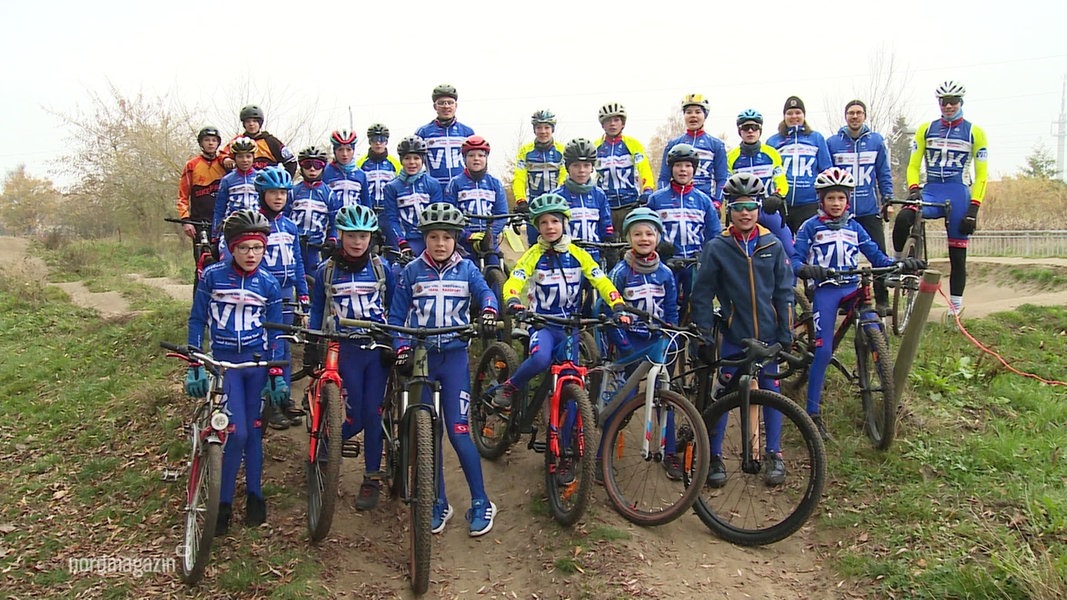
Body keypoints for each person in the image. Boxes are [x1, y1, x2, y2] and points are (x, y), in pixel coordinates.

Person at [388, 202, 499, 536]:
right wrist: (401, 347)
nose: (439, 243)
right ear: (424, 239)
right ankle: (437, 500)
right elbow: (395, 317)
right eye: (433, 237)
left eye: (446, 237)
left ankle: (481, 501)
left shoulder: (467, 269)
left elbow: (486, 295)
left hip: (453, 359)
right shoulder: (411, 272)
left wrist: (490, 313)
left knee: (458, 430)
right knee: (427, 434)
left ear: (455, 240)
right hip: (422, 359)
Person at [792, 167, 923, 439]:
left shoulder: (855, 227)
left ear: (847, 200)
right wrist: (806, 269)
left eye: (841, 198)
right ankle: (812, 412)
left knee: (873, 322)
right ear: (821, 200)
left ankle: (878, 368)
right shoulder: (810, 226)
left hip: (850, 286)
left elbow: (878, 258)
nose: (836, 203)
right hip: (826, 289)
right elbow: (794, 259)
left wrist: (902, 264)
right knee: (824, 350)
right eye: (831, 198)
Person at [690, 172, 794, 488]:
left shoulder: (773, 245)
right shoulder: (717, 246)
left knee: (770, 392)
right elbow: (702, 293)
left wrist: (786, 333)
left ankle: (774, 454)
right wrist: (705, 333)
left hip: (769, 337)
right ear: (729, 211)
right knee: (722, 395)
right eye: (738, 207)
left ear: (759, 208)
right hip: (734, 336)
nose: (745, 213)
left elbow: (784, 291)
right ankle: (714, 455)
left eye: (751, 206)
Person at [185, 209, 285, 535]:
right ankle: (223, 504)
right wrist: (195, 364)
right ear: (231, 248)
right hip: (226, 364)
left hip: (255, 365)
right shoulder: (212, 277)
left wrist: (277, 374)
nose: (251, 254)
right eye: (244, 248)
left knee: (254, 432)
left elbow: (277, 334)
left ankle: (255, 497)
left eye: (257, 248)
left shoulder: (269, 284)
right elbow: (197, 320)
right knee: (237, 433)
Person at [493, 194, 630, 419]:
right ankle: (509, 386)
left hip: (569, 326)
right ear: (537, 226)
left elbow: (601, 281)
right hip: (542, 323)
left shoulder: (578, 254)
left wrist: (617, 304)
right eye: (544, 222)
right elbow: (514, 280)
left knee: (572, 376)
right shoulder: (532, 255)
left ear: (564, 223)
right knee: (540, 359)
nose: (550, 227)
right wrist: (513, 300)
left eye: (555, 221)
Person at [306, 204, 395, 511]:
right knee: (354, 416)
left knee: (372, 414)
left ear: (371, 238)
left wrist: (396, 343)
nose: (358, 242)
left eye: (364, 236)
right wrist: (312, 343)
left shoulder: (383, 268)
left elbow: (395, 307)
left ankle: (371, 478)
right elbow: (318, 309)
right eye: (351, 236)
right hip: (342, 348)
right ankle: (326, 445)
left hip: (375, 349)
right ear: (340, 235)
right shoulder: (327, 270)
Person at [892, 80, 989, 319]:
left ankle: (955, 307)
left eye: (953, 101)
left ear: (961, 102)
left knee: (957, 255)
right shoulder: (926, 129)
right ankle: (897, 265)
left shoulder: (974, 131)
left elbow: (982, 174)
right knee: (904, 217)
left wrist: (974, 208)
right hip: (932, 189)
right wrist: (914, 189)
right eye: (944, 102)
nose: (948, 106)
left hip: (958, 192)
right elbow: (913, 165)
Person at [597, 208, 680, 479]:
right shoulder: (621, 271)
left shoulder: (666, 273)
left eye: (649, 233)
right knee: (623, 400)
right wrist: (622, 341)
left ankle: (670, 453)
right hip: (628, 341)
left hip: (655, 341)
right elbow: (606, 308)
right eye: (637, 234)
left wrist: (670, 334)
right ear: (628, 238)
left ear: (657, 236)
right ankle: (601, 456)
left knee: (666, 396)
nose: (644, 238)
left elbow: (671, 310)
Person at [827, 99, 895, 314]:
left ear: (864, 116)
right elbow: (828, 177)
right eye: (851, 113)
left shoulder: (875, 141)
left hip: (869, 209)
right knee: (842, 256)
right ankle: (845, 299)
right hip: (843, 212)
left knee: (878, 256)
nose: (854, 117)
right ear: (845, 116)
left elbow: (883, 173)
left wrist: (888, 200)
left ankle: (882, 300)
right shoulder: (832, 142)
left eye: (858, 113)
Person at [253, 167, 308, 430]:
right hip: (264, 293)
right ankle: (269, 403)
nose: (279, 198)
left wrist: (303, 291)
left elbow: (297, 261)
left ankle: (283, 397)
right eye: (273, 192)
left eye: (283, 193)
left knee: (284, 348)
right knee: (269, 347)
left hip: (287, 292)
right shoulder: (255, 223)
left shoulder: (289, 225)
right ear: (262, 194)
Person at [646, 143, 722, 323]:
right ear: (671, 168)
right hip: (666, 262)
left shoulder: (703, 200)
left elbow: (715, 234)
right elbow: (646, 230)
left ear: (694, 169)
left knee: (697, 305)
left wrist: (707, 256)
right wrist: (658, 245)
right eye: (678, 165)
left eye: (688, 166)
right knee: (667, 304)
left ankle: (698, 345)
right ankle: (668, 343)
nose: (683, 170)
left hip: (694, 263)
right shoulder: (656, 199)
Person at [726, 109, 796, 260]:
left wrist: (778, 195)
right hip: (743, 209)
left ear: (760, 130)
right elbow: (726, 186)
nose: (750, 131)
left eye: (755, 127)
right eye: (745, 128)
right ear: (739, 131)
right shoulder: (731, 156)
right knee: (736, 252)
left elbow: (781, 181)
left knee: (788, 248)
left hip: (767, 208)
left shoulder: (771, 153)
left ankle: (788, 282)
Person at [767, 96, 833, 235]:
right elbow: (769, 172)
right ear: (784, 116)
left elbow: (826, 170)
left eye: (798, 112)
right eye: (789, 113)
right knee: (784, 248)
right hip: (782, 203)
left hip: (809, 204)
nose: (794, 116)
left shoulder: (816, 138)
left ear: (804, 115)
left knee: (808, 247)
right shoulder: (773, 141)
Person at [444, 135, 509, 268]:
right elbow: (448, 215)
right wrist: (467, 235)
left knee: (497, 269)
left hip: (489, 240)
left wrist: (490, 235)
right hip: (464, 242)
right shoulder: (455, 183)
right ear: (464, 159)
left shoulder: (494, 183)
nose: (476, 159)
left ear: (486, 158)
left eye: (481, 155)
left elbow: (502, 213)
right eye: (471, 155)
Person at [595, 102, 656, 236]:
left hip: (630, 203)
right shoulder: (595, 146)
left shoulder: (633, 144)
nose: (612, 124)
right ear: (602, 125)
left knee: (628, 243)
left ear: (623, 123)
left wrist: (647, 188)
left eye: (616, 120)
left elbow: (644, 168)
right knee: (607, 245)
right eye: (608, 121)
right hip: (606, 205)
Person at [177, 126, 227, 288]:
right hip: (200, 223)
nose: (211, 143)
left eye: (214, 140)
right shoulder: (191, 165)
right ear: (201, 143)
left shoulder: (224, 164)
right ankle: (199, 306)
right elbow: (182, 196)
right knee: (202, 264)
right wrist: (186, 220)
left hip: (223, 223)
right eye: (207, 140)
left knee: (225, 263)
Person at [657, 94, 729, 208]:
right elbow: (664, 178)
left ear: (705, 115)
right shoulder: (673, 144)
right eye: (689, 112)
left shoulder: (717, 145)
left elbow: (722, 178)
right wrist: (662, 199)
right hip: (677, 202)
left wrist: (717, 202)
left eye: (698, 112)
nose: (693, 116)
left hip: (706, 202)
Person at [382, 135, 444, 259]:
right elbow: (391, 219)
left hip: (428, 238)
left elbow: (438, 217)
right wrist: (401, 242)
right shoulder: (391, 187)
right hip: (406, 240)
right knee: (398, 270)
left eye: (416, 158)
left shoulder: (433, 184)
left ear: (423, 160)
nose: (412, 162)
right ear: (401, 160)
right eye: (407, 158)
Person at [287, 146, 340, 276]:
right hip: (294, 245)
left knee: (314, 281)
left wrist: (332, 239)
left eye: (317, 165)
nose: (312, 169)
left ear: (323, 167)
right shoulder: (293, 191)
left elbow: (335, 222)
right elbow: (285, 216)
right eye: (307, 164)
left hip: (316, 247)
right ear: (301, 167)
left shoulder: (329, 194)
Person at [415, 84, 476, 188]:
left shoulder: (467, 132)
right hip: (434, 188)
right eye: (442, 103)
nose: (446, 106)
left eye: (450, 103)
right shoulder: (423, 132)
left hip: (461, 187)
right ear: (435, 106)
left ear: (456, 106)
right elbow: (416, 163)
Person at [513, 110, 567, 213]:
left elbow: (564, 176)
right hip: (534, 203)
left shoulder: (561, 150)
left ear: (552, 129)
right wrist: (521, 200)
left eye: (547, 127)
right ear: (534, 130)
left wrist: (559, 195)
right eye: (539, 127)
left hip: (556, 201)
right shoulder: (525, 151)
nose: (543, 131)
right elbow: (519, 178)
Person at [220, 105, 297, 176]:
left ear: (260, 123)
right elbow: (222, 154)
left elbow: (291, 162)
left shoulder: (271, 141)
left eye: (254, 121)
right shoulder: (238, 141)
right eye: (248, 121)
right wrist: (226, 159)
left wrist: (283, 180)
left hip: (268, 185)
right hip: (245, 182)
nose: (251, 124)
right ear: (244, 124)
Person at [212, 136, 259, 242]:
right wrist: (214, 234)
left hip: (257, 224)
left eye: (248, 156)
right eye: (240, 157)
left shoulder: (261, 177)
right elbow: (219, 208)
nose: (245, 160)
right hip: (233, 225)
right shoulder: (227, 180)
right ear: (234, 158)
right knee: (228, 258)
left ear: (253, 157)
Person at [358, 123, 402, 211]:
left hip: (388, 210)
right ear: (370, 142)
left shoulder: (395, 163)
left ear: (386, 142)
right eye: (374, 139)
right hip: (367, 210)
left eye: (381, 139)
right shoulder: (360, 163)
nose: (378, 143)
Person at [322, 129, 370, 209]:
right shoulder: (325, 172)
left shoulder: (361, 175)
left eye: (348, 149)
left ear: (353, 151)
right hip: (333, 219)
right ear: (334, 151)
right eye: (340, 150)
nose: (345, 154)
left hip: (355, 220)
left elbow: (366, 204)